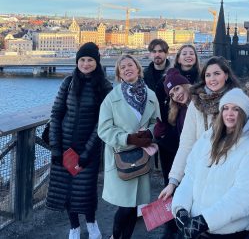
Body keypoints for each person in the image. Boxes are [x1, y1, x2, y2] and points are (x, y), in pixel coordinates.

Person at [172, 88, 249, 238]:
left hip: (228, 232)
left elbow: (244, 195)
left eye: (236, 109)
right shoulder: (207, 139)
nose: (229, 113)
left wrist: (205, 221)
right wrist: (181, 208)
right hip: (197, 228)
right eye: (226, 108)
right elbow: (190, 176)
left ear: (243, 113)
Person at [46, 42, 113, 239]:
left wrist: (87, 152)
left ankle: (91, 223)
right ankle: (74, 226)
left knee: (85, 191)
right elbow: (56, 114)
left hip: (88, 149)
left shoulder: (104, 86)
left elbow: (102, 123)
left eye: (90, 60)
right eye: (82, 59)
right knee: (66, 190)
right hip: (64, 146)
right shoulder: (68, 82)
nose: (85, 63)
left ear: (97, 62)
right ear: (77, 61)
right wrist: (55, 147)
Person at [159, 56, 240, 201]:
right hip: (203, 173)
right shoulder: (196, 104)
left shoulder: (238, 101)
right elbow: (186, 144)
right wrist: (173, 181)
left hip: (231, 173)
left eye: (216, 73)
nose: (212, 79)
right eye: (208, 75)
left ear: (226, 75)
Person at [98, 54, 160, 239]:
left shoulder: (151, 95)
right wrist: (129, 138)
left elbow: (157, 123)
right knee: (125, 206)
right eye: (122, 67)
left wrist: (149, 133)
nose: (127, 69)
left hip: (142, 157)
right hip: (121, 157)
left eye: (130, 65)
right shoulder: (111, 98)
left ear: (138, 68)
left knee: (134, 206)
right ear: (119, 74)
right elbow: (104, 129)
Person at [154, 68, 192, 238]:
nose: (176, 95)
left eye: (177, 88)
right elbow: (182, 143)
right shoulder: (180, 111)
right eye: (171, 94)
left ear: (185, 84)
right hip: (188, 165)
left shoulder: (198, 105)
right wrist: (161, 135)